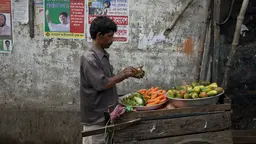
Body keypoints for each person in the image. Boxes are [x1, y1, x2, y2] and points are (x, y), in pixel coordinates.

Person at [80, 16, 143, 144]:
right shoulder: (89, 58)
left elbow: (109, 79)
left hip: (106, 115)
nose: (112, 40)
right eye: (109, 36)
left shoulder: (102, 54)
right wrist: (124, 74)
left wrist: (131, 74)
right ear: (99, 35)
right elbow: (102, 84)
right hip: (96, 119)